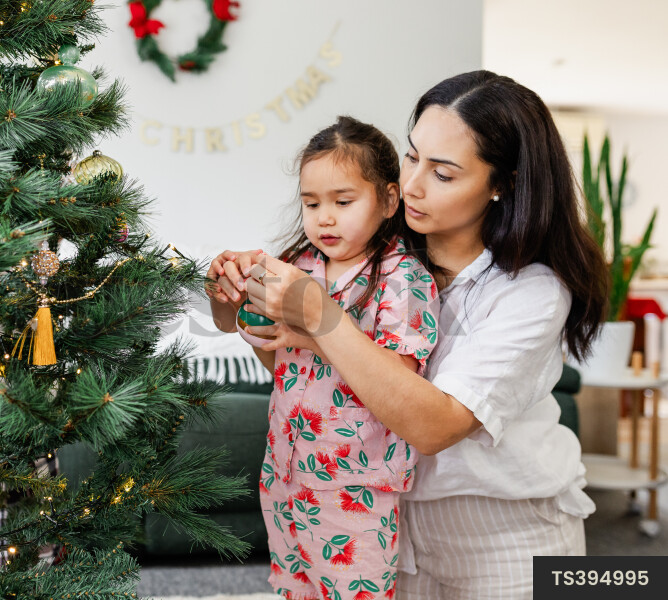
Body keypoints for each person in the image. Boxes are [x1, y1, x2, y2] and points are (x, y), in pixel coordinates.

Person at [214, 71, 609, 599]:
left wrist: (320, 318)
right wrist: (252, 307)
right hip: (388, 524)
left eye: (442, 173)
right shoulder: (366, 254)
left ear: (503, 184)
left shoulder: (531, 291)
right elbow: (308, 375)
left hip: (507, 537)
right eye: (412, 156)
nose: (414, 186)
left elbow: (433, 425)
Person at [207, 116, 440, 600]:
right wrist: (226, 294)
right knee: (294, 588)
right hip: (284, 471)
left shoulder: (403, 280)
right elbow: (253, 340)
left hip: (355, 485)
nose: (324, 218)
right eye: (312, 204)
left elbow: (397, 383)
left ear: (389, 201)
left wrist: (313, 333)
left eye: (342, 202)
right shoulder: (297, 267)